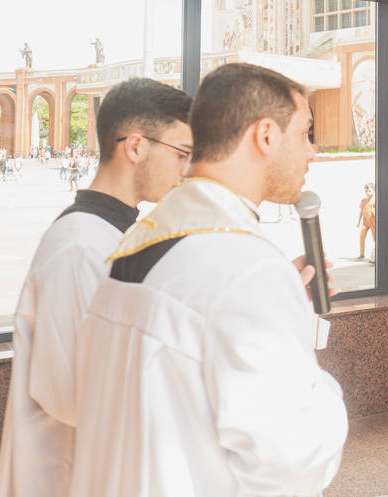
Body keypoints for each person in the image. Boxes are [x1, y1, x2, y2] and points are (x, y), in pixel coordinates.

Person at [70, 63, 347, 497]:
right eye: (305, 132)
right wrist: (326, 389)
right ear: (267, 135)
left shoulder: (133, 247)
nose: (312, 151)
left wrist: (284, 303)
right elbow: (294, 458)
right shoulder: (248, 268)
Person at [0, 79, 194, 497]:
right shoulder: (80, 247)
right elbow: (72, 394)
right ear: (135, 146)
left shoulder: (113, 236)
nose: (185, 170)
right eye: (181, 154)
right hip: (67, 477)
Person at [356, 182, 376, 261]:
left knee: (375, 239)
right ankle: (362, 253)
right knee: (361, 237)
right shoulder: (363, 200)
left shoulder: (375, 200)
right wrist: (358, 221)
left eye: (369, 191)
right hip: (365, 222)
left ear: (374, 190)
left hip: (373, 222)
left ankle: (375, 255)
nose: (367, 193)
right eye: (366, 191)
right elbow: (361, 211)